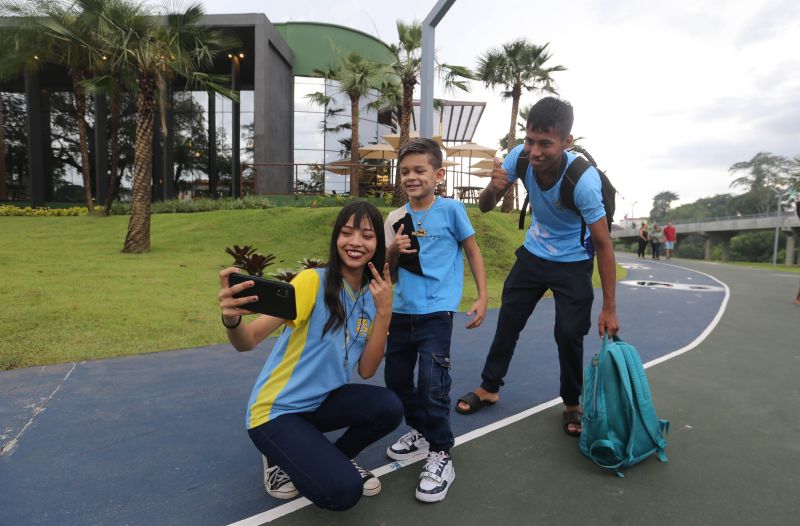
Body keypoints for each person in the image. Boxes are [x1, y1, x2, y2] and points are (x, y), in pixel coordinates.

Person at [217, 201, 402, 511]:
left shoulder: (375, 295)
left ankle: (333, 458)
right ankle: (279, 457)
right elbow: (247, 341)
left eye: (367, 236)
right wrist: (232, 319)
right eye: (347, 233)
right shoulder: (311, 282)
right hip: (276, 411)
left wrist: (384, 312)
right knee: (345, 492)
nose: (356, 242)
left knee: (389, 408)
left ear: (377, 244)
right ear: (336, 238)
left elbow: (368, 370)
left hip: (320, 402)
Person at [455, 97, 620, 438]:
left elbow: (603, 245)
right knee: (509, 321)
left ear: (566, 142)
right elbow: (486, 207)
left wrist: (609, 308)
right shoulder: (519, 157)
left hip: (573, 262)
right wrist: (493, 187)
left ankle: (572, 403)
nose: (535, 150)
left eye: (545, 143)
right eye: (530, 140)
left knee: (568, 334)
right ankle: (489, 387)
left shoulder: (583, 182)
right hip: (533, 254)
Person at [383, 138, 488, 503]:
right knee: (395, 381)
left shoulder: (451, 210)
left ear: (438, 174)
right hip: (399, 313)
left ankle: (441, 451)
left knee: (432, 382)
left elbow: (473, 251)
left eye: (419, 170)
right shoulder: (395, 218)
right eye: (405, 171)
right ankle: (420, 430)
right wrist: (393, 250)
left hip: (436, 312)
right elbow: (387, 273)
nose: (411, 177)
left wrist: (483, 295)